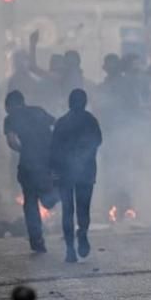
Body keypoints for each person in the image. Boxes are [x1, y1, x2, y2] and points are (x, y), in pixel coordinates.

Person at [50, 89, 102, 263]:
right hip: (85, 171)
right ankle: (82, 233)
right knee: (83, 208)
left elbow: (54, 150)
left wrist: (55, 172)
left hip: (66, 172)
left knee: (68, 210)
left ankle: (70, 250)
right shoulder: (91, 121)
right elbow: (97, 142)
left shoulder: (62, 122)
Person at [2, 90, 57, 252]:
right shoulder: (39, 111)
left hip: (28, 165)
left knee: (30, 202)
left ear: (9, 106)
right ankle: (54, 197)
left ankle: (37, 240)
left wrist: (25, 151)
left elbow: (12, 141)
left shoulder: (10, 118)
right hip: (48, 162)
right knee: (49, 196)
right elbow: (57, 124)